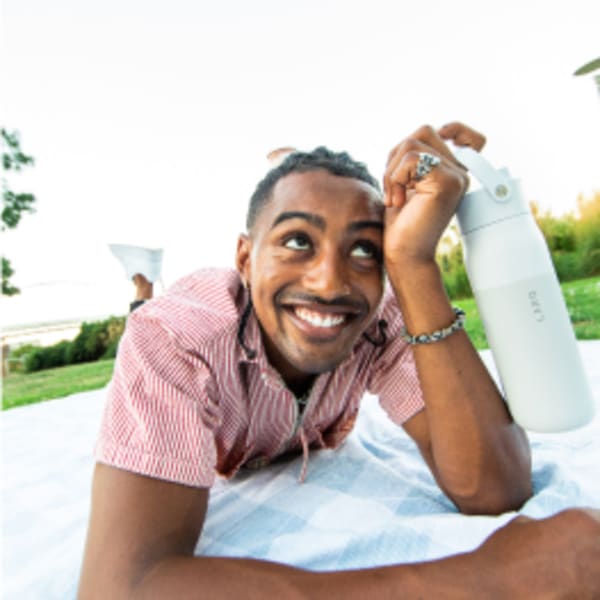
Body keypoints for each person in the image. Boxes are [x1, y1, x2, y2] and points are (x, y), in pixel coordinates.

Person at [79, 122, 600, 598]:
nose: (329, 283)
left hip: (290, 422)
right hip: (201, 360)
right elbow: (121, 587)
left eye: (364, 250)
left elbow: (497, 489)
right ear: (244, 257)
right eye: (297, 241)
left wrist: (412, 263)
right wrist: (484, 580)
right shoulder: (175, 338)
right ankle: (144, 284)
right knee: (144, 314)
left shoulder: (378, 315)